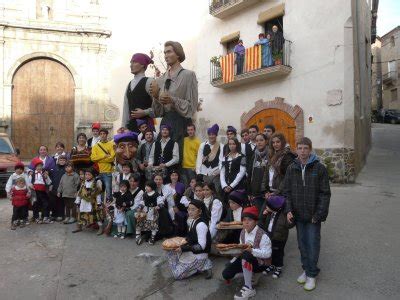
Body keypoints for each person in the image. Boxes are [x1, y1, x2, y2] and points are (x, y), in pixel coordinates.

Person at [284, 137, 331, 291]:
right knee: (302, 244)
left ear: (310, 149)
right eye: (300, 148)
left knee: (312, 244)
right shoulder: (292, 168)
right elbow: (287, 192)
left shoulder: (319, 168)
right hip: (298, 215)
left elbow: (325, 194)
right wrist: (289, 210)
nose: (303, 151)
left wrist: (318, 215)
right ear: (296, 150)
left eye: (305, 148)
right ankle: (306, 268)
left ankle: (311, 274)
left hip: (313, 216)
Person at [150, 41, 198, 158]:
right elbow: (157, 113)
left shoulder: (188, 75)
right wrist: (156, 97)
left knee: (180, 159)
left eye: (169, 51)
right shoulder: (160, 80)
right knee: (163, 158)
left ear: (178, 54)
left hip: (182, 123)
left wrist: (172, 100)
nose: (166, 55)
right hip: (166, 123)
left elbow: (192, 107)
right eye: (165, 53)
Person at [222, 206, 272, 300]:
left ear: (256, 221)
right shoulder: (243, 232)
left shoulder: (263, 235)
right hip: (246, 259)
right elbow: (241, 249)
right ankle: (249, 273)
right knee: (226, 274)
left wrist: (252, 250)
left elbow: (268, 254)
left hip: (261, 263)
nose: (246, 222)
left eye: (250, 220)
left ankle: (249, 287)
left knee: (246, 255)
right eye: (244, 219)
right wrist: (233, 252)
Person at [166, 199, 213, 280]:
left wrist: (183, 248)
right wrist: (182, 243)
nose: (190, 212)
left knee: (177, 275)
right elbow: (191, 237)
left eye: (193, 209)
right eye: (189, 209)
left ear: (200, 211)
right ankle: (198, 266)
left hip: (199, 254)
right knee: (170, 252)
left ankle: (203, 265)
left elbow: (201, 246)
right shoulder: (193, 220)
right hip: (193, 250)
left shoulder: (201, 225)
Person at [259, 195, 294, 279]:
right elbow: (262, 222)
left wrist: (291, 219)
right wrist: (264, 215)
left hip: (280, 238)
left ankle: (279, 267)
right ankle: (271, 265)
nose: (266, 207)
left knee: (278, 253)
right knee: (270, 252)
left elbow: (289, 225)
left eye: (268, 206)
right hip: (270, 236)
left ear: (273, 208)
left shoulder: (284, 215)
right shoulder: (269, 213)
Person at [121, 53, 155, 133]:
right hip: (131, 129)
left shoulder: (150, 82)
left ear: (143, 65)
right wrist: (123, 127)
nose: (131, 65)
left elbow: (160, 108)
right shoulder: (129, 84)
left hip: (147, 130)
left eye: (134, 62)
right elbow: (126, 108)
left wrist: (144, 112)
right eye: (130, 62)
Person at [73, 168, 104, 235]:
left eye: (89, 175)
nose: (87, 176)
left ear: (93, 175)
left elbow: (98, 194)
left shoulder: (95, 184)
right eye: (86, 174)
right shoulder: (83, 183)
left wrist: (99, 203)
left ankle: (101, 228)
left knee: (97, 216)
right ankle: (79, 227)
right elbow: (79, 193)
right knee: (81, 215)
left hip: (93, 203)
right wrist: (77, 201)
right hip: (83, 203)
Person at [196, 124, 223, 198]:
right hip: (205, 173)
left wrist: (218, 171)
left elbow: (221, 161)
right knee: (205, 194)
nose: (211, 136)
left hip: (215, 174)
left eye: (213, 134)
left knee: (217, 192)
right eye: (210, 134)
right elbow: (199, 159)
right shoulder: (202, 145)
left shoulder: (221, 146)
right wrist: (198, 172)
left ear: (216, 135)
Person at [90, 128, 115, 202]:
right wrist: (104, 156)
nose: (102, 135)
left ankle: (108, 208)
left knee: (108, 191)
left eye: (104, 134)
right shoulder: (96, 146)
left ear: (107, 135)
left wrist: (99, 159)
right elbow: (93, 158)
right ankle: (100, 208)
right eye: (101, 134)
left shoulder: (111, 144)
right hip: (98, 171)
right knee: (99, 192)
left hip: (108, 171)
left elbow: (112, 158)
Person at [221, 138, 246, 204]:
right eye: (230, 144)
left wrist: (232, 186)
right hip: (226, 186)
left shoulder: (242, 157)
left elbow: (242, 172)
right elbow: (222, 172)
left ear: (237, 145)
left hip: (237, 186)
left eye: (233, 144)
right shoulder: (225, 157)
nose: (231, 146)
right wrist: (224, 185)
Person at [247, 133, 269, 211]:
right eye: (257, 141)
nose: (259, 142)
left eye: (261, 140)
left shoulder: (271, 154)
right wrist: (249, 192)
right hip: (255, 192)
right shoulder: (254, 155)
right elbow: (249, 174)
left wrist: (268, 190)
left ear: (266, 141)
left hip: (266, 193)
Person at [135, 181, 160, 245]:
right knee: (140, 222)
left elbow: (160, 201)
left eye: (148, 186)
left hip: (153, 211)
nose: (146, 187)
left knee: (153, 224)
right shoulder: (145, 194)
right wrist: (140, 206)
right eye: (146, 186)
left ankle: (152, 237)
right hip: (145, 211)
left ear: (152, 187)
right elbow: (142, 201)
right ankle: (138, 236)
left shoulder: (156, 194)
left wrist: (159, 205)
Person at [30, 158, 52, 224]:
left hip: (43, 192)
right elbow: (29, 182)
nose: (39, 167)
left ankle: (45, 217)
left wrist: (46, 177)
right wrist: (30, 186)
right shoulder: (32, 174)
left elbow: (49, 182)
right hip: (35, 192)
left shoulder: (44, 174)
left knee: (45, 204)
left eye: (41, 166)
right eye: (38, 166)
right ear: (35, 167)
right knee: (35, 204)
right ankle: (36, 217)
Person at [154, 174, 175, 238]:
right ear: (153, 180)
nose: (158, 181)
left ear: (162, 181)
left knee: (163, 211)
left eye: (160, 179)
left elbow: (168, 200)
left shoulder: (166, 188)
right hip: (153, 207)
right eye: (156, 179)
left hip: (165, 207)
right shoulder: (151, 187)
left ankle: (165, 232)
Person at [49, 155, 67, 221]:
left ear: (66, 161)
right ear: (58, 161)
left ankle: (61, 215)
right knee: (53, 201)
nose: (62, 161)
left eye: (63, 160)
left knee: (61, 202)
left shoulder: (66, 169)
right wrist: (50, 184)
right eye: (60, 160)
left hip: (63, 188)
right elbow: (50, 177)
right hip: (54, 187)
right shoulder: (54, 168)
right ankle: (54, 214)